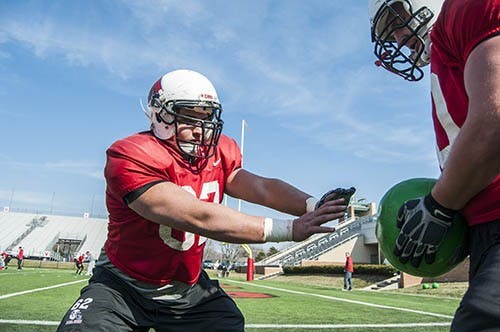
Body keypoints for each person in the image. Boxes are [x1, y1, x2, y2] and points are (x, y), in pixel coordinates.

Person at [57, 69, 353, 332]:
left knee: (227, 323)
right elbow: (197, 215)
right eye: (189, 117)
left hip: (187, 289)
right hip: (124, 285)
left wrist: (313, 205)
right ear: (161, 115)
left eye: (205, 118)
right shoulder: (132, 154)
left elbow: (261, 187)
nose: (200, 129)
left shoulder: (218, 153)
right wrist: (289, 229)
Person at [369, 1, 500, 330]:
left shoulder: (465, 9)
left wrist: (439, 204)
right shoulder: (444, 50)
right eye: (389, 31)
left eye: (396, 19)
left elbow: (495, 116)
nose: (397, 38)